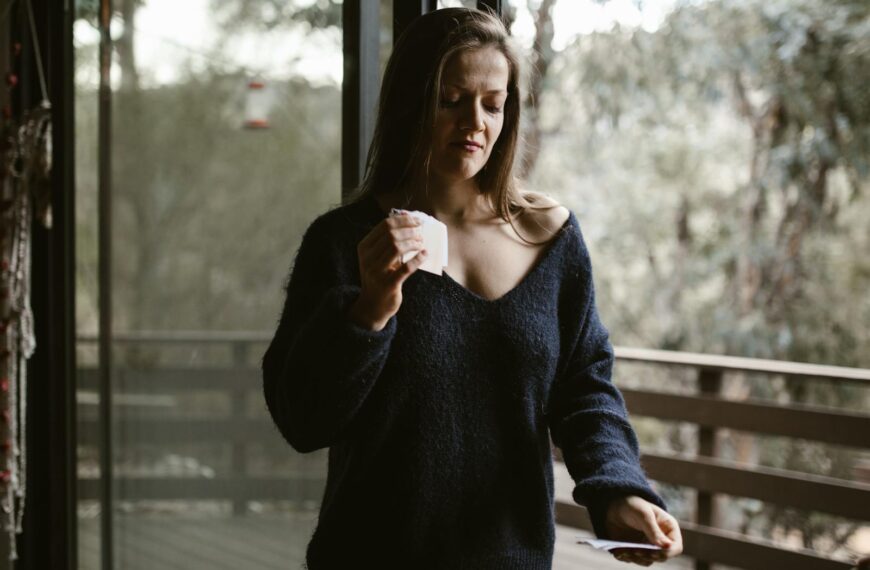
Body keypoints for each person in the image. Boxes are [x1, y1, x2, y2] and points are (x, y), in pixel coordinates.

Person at [262, 7, 683, 569]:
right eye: (451, 100)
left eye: (493, 103)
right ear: (412, 105)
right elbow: (302, 420)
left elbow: (584, 389)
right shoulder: (345, 243)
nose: (475, 124)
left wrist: (619, 491)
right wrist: (368, 313)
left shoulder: (551, 239)